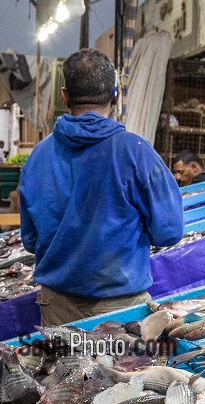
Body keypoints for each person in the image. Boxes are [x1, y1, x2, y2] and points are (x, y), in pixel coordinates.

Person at [20, 49, 183, 326]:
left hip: (56, 308)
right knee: (122, 370)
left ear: (64, 96)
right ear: (115, 95)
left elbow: (31, 241)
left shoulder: (37, 158)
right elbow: (169, 231)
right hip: (120, 311)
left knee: (65, 370)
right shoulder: (137, 153)